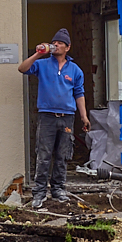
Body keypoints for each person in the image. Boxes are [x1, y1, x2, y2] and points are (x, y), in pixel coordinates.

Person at [18, 28, 91, 208]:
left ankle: (58, 189)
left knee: (62, 155)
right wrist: (38, 53)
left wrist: (84, 116)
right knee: (43, 155)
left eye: (59, 43)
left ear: (68, 47)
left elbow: (79, 93)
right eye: (54, 42)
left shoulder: (75, 70)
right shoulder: (42, 64)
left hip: (67, 117)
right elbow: (22, 68)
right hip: (47, 117)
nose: (56, 45)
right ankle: (39, 192)